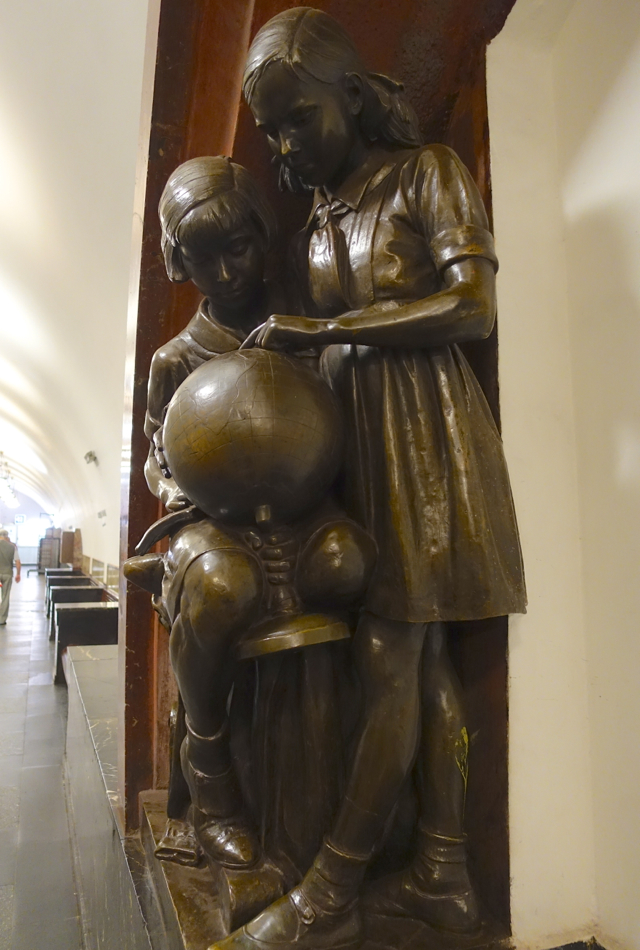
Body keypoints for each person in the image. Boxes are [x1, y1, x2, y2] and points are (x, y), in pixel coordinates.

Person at [212, 9, 526, 950]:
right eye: (270, 130)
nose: (283, 143)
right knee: (409, 658)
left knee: (396, 657)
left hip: (428, 445)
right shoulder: (319, 214)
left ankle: (330, 893)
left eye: (297, 118)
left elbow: (472, 306)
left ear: (349, 93)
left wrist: (327, 331)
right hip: (358, 444)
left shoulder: (425, 173)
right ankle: (442, 872)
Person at [0, 529, 21, 625]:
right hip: (7, 574)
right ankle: (2, 619)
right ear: (7, 536)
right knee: (5, 596)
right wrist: (18, 574)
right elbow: (17, 562)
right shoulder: (13, 547)